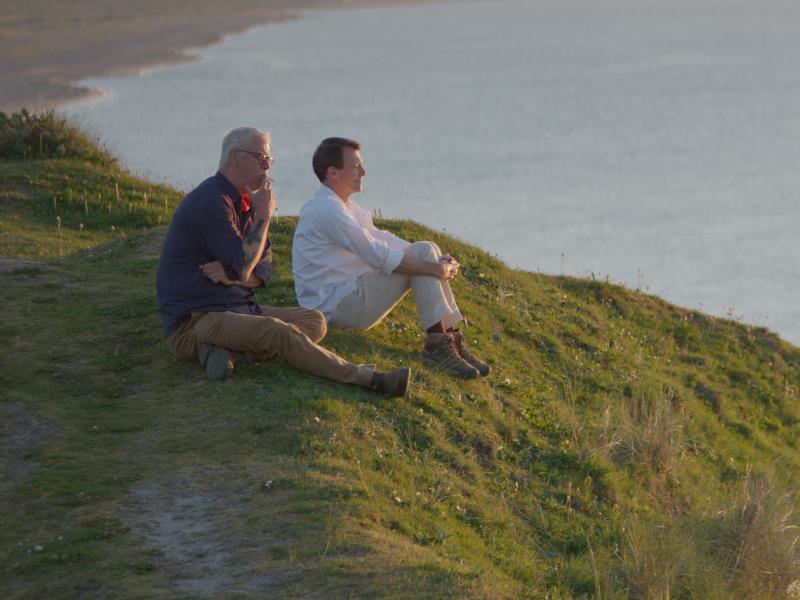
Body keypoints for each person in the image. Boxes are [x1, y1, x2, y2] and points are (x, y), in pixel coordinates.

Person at [155, 127, 409, 396]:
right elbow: (244, 266)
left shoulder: (247, 203)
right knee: (278, 333)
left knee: (315, 321)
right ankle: (369, 378)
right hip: (197, 320)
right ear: (234, 158)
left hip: (240, 310)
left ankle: (223, 352)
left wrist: (233, 275)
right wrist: (263, 215)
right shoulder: (211, 201)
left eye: (269, 159)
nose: (267, 166)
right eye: (260, 158)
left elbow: (261, 272)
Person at [292, 137, 489, 379]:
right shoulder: (325, 210)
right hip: (335, 308)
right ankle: (438, 346)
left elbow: (379, 237)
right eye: (356, 166)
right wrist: (432, 267)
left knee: (426, 249)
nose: (363, 171)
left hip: (349, 296)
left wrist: (435, 262)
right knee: (423, 254)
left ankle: (448, 339)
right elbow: (375, 254)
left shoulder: (343, 207)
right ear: (333, 172)